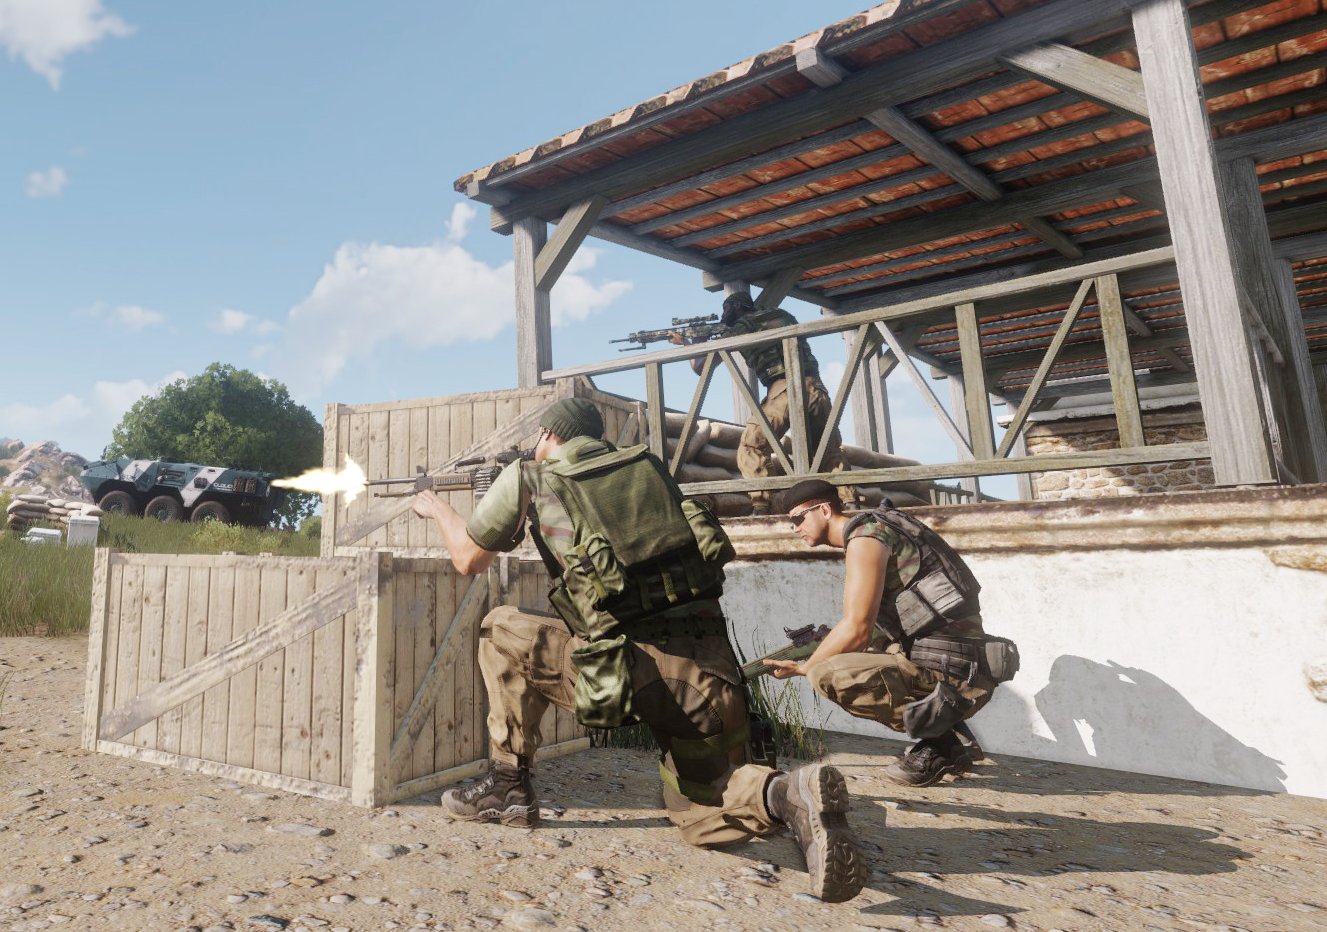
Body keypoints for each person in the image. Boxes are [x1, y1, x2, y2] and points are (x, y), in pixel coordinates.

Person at [413, 397, 867, 903]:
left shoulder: (529, 477)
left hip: (626, 675)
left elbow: (468, 559)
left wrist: (435, 506)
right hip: (711, 674)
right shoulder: (649, 469)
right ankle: (784, 794)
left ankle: (507, 785)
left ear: (549, 435)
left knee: (498, 629)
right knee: (703, 817)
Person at [766, 478, 1018, 786]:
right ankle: (955, 735)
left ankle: (941, 743)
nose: (795, 528)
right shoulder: (880, 528)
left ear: (825, 510)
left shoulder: (866, 537)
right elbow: (871, 632)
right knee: (867, 648)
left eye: (798, 518)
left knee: (827, 673)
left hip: (957, 677)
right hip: (964, 669)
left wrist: (805, 667)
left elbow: (856, 628)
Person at [678, 292, 842, 516]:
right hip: (816, 386)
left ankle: (762, 506)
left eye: (726, 308)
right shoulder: (781, 314)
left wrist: (690, 342)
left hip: (784, 387)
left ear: (737, 306)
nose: (723, 315)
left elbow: (700, 366)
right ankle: (848, 502)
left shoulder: (742, 326)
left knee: (751, 445)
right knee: (827, 450)